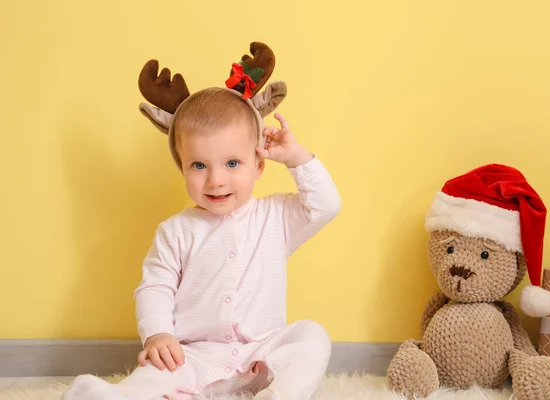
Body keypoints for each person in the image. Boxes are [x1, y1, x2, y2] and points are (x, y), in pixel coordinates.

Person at [62, 42, 341, 400]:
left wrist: (296, 158)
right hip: (192, 356)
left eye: (232, 163)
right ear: (182, 167)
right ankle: (107, 396)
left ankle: (281, 396)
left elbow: (326, 205)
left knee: (311, 336)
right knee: (154, 376)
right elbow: (155, 287)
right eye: (198, 166)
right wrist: (159, 335)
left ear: (258, 164)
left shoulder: (276, 217)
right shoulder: (176, 231)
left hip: (261, 355)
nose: (216, 180)